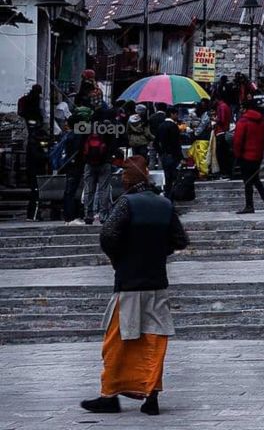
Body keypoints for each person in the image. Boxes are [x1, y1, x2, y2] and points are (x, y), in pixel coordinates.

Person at [79, 156, 189, 416]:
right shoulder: (165, 204)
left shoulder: (126, 203)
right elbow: (180, 240)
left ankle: (110, 394)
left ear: (129, 180)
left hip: (129, 283)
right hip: (156, 281)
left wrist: (119, 259)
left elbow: (108, 235)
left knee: (117, 340)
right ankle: (151, 395)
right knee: (154, 340)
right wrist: (158, 252)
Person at [232, 98, 264, 214]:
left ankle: (249, 205)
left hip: (245, 155)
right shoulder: (261, 120)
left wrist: (237, 154)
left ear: (245, 109)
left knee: (248, 181)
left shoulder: (243, 121)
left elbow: (238, 140)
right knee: (255, 179)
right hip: (258, 155)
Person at [154, 108, 183, 200]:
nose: (177, 116)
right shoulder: (173, 126)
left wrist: (161, 152)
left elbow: (155, 143)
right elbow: (176, 144)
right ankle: (171, 197)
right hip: (173, 155)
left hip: (164, 155)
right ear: (172, 114)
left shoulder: (161, 126)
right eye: (176, 114)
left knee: (167, 177)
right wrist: (180, 157)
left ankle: (168, 197)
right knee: (173, 177)